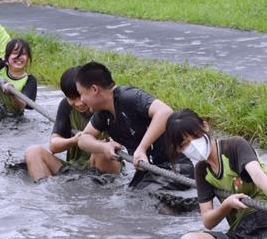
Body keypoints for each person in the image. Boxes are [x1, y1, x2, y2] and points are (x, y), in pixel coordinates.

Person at [164, 109, 267, 239]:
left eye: (195, 136)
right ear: (179, 149)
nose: (193, 144)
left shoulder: (235, 146)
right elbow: (208, 221)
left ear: (205, 127)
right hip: (241, 231)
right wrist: (226, 205)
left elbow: (257, 175)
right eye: (184, 144)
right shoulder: (202, 170)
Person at [74, 61, 193, 191]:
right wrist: (104, 147)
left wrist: (142, 148)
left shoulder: (129, 96)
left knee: (143, 200)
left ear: (94, 90)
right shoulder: (103, 112)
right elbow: (83, 139)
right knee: (132, 197)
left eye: (81, 94)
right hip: (148, 170)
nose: (82, 100)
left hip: (177, 167)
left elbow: (165, 112)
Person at [23, 66, 122, 181]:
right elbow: (54, 145)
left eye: (80, 96)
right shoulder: (66, 106)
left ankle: (102, 189)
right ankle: (45, 189)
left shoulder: (105, 105)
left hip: (102, 167)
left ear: (91, 91)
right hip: (75, 167)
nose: (79, 103)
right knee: (33, 151)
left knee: (102, 151)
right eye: (72, 98)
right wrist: (74, 140)